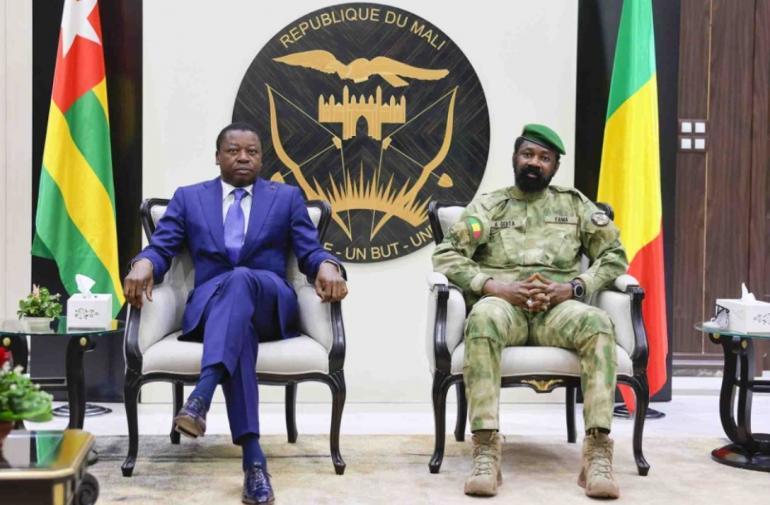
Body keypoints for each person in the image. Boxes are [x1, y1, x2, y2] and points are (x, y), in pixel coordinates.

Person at [124, 121, 347, 505]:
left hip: (270, 305)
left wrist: (328, 265)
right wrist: (143, 263)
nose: (243, 157)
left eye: (252, 151)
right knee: (238, 333)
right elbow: (161, 248)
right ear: (217, 156)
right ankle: (254, 463)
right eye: (233, 150)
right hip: (213, 309)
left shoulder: (286, 198)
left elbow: (310, 251)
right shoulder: (189, 198)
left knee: (242, 278)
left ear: (261, 158)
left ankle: (202, 395)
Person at [432, 124, 628, 499]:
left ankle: (598, 453)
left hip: (558, 310)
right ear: (515, 158)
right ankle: (486, 449)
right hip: (505, 306)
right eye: (528, 155)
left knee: (598, 323)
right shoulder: (489, 207)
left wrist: (574, 287)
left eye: (544, 158)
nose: (534, 163)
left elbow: (614, 255)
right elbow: (446, 255)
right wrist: (493, 286)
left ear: (555, 166)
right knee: (482, 318)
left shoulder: (574, 205)